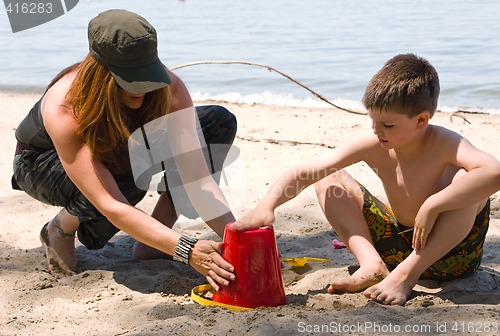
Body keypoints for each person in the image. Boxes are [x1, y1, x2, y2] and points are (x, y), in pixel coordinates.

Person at [231, 53, 500, 305]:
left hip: (451, 256)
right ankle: (372, 265)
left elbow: (494, 173)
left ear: (421, 120)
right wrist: (267, 205)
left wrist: (434, 204)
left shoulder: (446, 144)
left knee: (469, 181)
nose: (377, 130)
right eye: (373, 121)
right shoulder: (376, 143)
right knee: (328, 177)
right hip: (397, 245)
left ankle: (407, 275)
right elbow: (306, 172)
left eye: (388, 125)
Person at [11, 9, 237, 291]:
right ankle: (60, 227)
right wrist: (187, 250)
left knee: (216, 121)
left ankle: (153, 241)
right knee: (125, 176)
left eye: (147, 75)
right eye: (131, 79)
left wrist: (241, 240)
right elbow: (112, 204)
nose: (142, 88)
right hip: (40, 162)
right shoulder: (64, 107)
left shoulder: (170, 89)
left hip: (117, 147)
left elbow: (199, 182)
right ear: (101, 72)